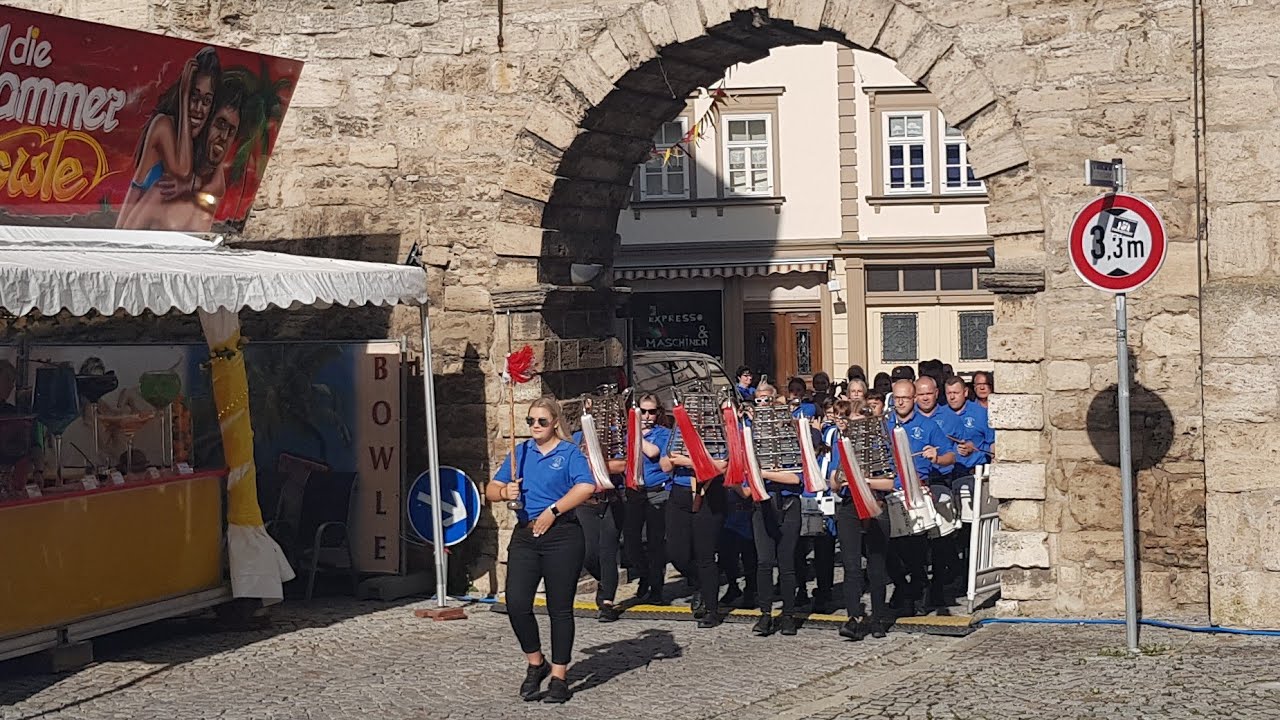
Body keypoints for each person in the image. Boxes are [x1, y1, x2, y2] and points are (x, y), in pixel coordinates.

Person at [486, 397, 596, 704]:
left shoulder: (569, 453)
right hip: (526, 534)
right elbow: (490, 489)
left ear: (555, 423)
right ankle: (536, 662)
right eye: (530, 421)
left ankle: (560, 676)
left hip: (562, 534)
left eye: (541, 421)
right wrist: (503, 491)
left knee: (559, 608)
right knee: (517, 602)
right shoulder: (519, 453)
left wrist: (554, 511)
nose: (535, 426)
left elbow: (586, 487)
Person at [117, 47, 220, 229]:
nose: (197, 108)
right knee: (161, 191)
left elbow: (219, 185)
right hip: (130, 228)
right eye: (193, 97)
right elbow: (183, 171)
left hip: (155, 233)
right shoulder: (163, 125)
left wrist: (189, 185)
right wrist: (184, 96)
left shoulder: (200, 142)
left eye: (206, 101)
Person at [136, 76, 245, 231]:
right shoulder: (165, 187)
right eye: (220, 125)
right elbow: (127, 233)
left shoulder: (210, 185)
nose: (224, 136)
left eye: (231, 131)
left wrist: (191, 184)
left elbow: (217, 185)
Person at [885, 379, 954, 616]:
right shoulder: (885, 426)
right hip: (889, 491)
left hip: (916, 491)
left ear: (913, 399)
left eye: (905, 397)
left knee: (915, 549)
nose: (901, 402)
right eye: (897, 398)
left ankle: (918, 593)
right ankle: (904, 587)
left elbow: (950, 457)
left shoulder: (928, 426)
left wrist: (936, 457)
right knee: (887, 549)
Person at [742, 385, 804, 637]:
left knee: (786, 563)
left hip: (789, 504)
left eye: (768, 400)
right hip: (763, 504)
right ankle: (766, 614)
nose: (764, 404)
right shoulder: (750, 437)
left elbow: (796, 478)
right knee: (764, 562)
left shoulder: (792, 434)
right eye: (759, 401)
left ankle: (789, 614)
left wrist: (762, 472)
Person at [662, 397, 729, 627]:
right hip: (679, 495)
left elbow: (719, 466)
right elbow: (665, 463)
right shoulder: (677, 434)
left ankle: (711, 608)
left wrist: (687, 460)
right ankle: (699, 582)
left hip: (709, 497)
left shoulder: (719, 435)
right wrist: (683, 459)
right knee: (676, 552)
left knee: (705, 555)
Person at [571, 413, 627, 623]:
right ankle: (604, 582)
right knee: (588, 553)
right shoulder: (576, 439)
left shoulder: (615, 438)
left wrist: (593, 462)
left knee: (607, 551)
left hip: (610, 500)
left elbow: (621, 464)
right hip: (586, 503)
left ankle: (607, 602)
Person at [913, 376, 963, 608]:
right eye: (920, 393)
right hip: (912, 486)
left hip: (939, 482)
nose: (924, 397)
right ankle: (916, 587)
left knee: (941, 540)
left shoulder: (949, 419)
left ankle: (938, 588)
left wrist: (938, 458)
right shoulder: (902, 420)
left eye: (928, 393)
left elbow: (953, 455)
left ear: (936, 394)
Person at [621, 394, 672, 607]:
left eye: (652, 412)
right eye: (643, 411)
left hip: (656, 491)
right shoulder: (625, 434)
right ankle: (644, 574)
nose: (647, 416)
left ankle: (657, 589)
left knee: (655, 543)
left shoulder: (663, 433)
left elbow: (653, 452)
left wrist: (635, 433)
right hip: (633, 492)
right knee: (631, 541)